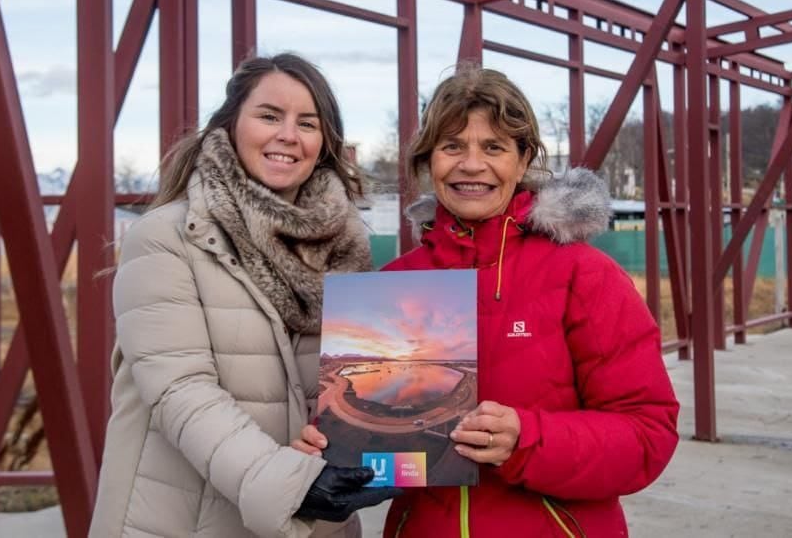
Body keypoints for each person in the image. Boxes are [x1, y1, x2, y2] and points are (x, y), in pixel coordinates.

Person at [299, 66, 679, 537]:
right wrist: (327, 449)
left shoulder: (584, 275)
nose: (471, 164)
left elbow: (648, 435)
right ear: (428, 162)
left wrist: (528, 440)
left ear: (523, 164)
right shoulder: (395, 283)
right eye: (452, 146)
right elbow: (377, 440)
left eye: (493, 147)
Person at [90, 54, 398, 538]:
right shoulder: (167, 237)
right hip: (185, 519)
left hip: (315, 519)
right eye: (269, 116)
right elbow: (180, 390)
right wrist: (293, 485)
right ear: (230, 124)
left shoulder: (342, 249)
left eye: (307, 123)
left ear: (324, 144)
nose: (288, 135)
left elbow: (348, 390)